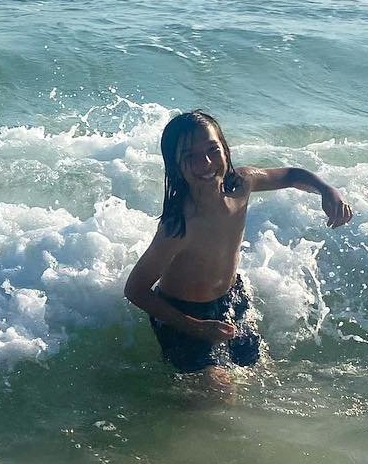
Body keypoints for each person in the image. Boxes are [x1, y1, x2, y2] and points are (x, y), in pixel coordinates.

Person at [123, 110, 352, 395]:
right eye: (189, 156)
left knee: (261, 377)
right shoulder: (178, 226)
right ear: (175, 166)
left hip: (231, 299)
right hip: (183, 315)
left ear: (225, 150)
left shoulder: (242, 184)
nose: (204, 163)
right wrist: (195, 327)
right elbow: (136, 290)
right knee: (220, 395)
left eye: (212, 150)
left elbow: (292, 175)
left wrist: (326, 190)